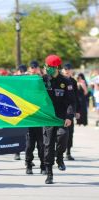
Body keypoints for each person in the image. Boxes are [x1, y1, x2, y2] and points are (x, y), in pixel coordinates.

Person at [42, 55, 75, 184]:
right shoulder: (43, 80)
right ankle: (49, 173)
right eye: (46, 66)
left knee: (63, 136)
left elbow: (71, 101)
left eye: (49, 67)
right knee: (48, 145)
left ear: (56, 67)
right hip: (48, 117)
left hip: (61, 117)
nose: (46, 69)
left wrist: (69, 117)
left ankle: (60, 156)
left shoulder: (66, 81)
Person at [25, 60, 45, 175]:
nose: (33, 69)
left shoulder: (43, 80)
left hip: (41, 117)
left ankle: (43, 165)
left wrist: (40, 75)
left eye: (35, 68)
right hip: (30, 117)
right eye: (32, 68)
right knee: (29, 145)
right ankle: (28, 165)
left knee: (42, 145)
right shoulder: (25, 80)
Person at [62, 63, 80, 160]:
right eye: (65, 69)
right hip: (60, 110)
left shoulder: (73, 81)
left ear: (71, 71)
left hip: (70, 110)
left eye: (68, 69)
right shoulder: (58, 80)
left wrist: (77, 110)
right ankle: (59, 151)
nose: (67, 71)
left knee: (70, 132)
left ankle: (68, 152)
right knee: (59, 132)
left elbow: (76, 98)